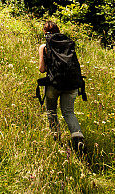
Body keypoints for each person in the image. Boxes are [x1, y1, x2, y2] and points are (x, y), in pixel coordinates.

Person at [38, 20, 85, 152]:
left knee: (52, 111)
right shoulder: (67, 44)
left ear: (44, 32)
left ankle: (56, 139)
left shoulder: (44, 47)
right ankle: (78, 137)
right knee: (69, 112)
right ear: (58, 31)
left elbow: (42, 69)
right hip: (72, 84)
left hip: (54, 84)